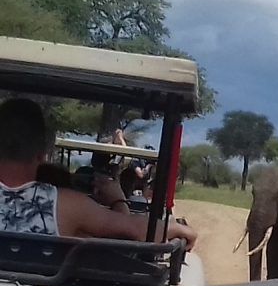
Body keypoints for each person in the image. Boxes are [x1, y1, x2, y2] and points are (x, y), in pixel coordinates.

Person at [0, 98, 197, 250]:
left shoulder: (69, 204)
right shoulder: (68, 205)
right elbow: (136, 230)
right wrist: (182, 229)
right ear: (42, 155)